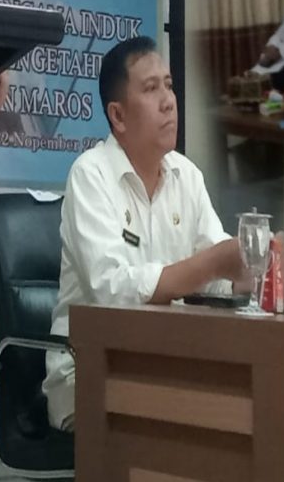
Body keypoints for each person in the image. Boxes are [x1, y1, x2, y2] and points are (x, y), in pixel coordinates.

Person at [44, 38, 245, 433]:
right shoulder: (90, 174)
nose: (168, 101)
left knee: (245, 408)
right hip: (89, 369)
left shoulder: (187, 175)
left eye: (169, 85)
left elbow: (217, 277)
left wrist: (246, 272)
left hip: (166, 363)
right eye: (151, 89)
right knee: (205, 420)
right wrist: (212, 264)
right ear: (118, 116)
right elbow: (112, 290)